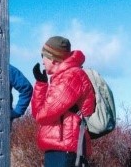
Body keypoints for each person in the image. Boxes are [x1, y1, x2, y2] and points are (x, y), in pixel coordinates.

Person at [31, 36, 95, 167]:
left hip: (66, 149)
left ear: (53, 58)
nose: (42, 61)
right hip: (60, 148)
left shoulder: (70, 77)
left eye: (43, 55)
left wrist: (41, 86)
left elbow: (42, 115)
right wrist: (41, 84)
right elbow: (38, 113)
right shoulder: (62, 77)